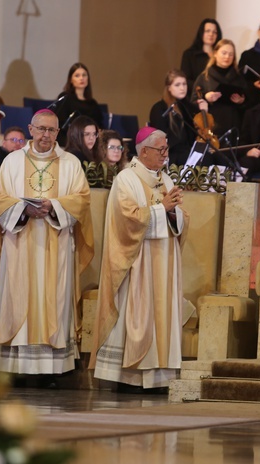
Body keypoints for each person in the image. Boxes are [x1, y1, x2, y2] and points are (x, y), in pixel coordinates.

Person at [0, 109, 93, 381]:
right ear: (30, 129)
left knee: (55, 298)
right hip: (19, 243)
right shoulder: (12, 161)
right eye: (41, 129)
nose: (46, 135)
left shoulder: (70, 163)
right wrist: (23, 210)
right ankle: (18, 368)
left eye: (52, 130)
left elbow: (82, 199)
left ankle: (51, 369)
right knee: (19, 295)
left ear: (58, 133)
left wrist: (54, 206)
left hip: (57, 243)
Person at [90, 127, 189, 392]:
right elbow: (127, 219)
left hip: (165, 261)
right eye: (161, 150)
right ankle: (130, 376)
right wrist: (162, 209)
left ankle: (159, 375)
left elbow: (181, 218)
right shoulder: (126, 179)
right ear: (144, 151)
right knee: (137, 313)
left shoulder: (165, 180)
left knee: (161, 313)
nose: (165, 155)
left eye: (166, 150)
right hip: (137, 262)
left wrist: (173, 214)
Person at [148, 69, 208, 167]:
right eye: (177, 85)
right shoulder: (159, 108)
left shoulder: (188, 107)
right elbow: (161, 138)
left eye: (184, 84)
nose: (182, 88)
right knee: (205, 160)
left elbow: (200, 131)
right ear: (169, 88)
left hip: (188, 152)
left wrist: (204, 112)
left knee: (211, 156)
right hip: (172, 154)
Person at [191, 39, 247, 139]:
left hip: (233, 125)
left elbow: (248, 103)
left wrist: (241, 101)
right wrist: (206, 98)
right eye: (224, 53)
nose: (227, 57)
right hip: (212, 126)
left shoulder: (239, 77)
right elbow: (193, 102)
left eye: (231, 54)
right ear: (215, 53)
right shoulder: (205, 77)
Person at [53, 63, 104, 145]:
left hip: (90, 142)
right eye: (77, 75)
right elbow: (59, 124)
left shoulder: (93, 103)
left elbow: (99, 127)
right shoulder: (65, 98)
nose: (82, 78)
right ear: (71, 80)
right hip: (68, 140)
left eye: (84, 75)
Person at [180, 18, 223, 92]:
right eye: (207, 31)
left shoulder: (221, 55)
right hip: (196, 97)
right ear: (201, 33)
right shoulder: (189, 54)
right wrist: (204, 88)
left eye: (214, 32)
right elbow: (185, 80)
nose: (211, 34)